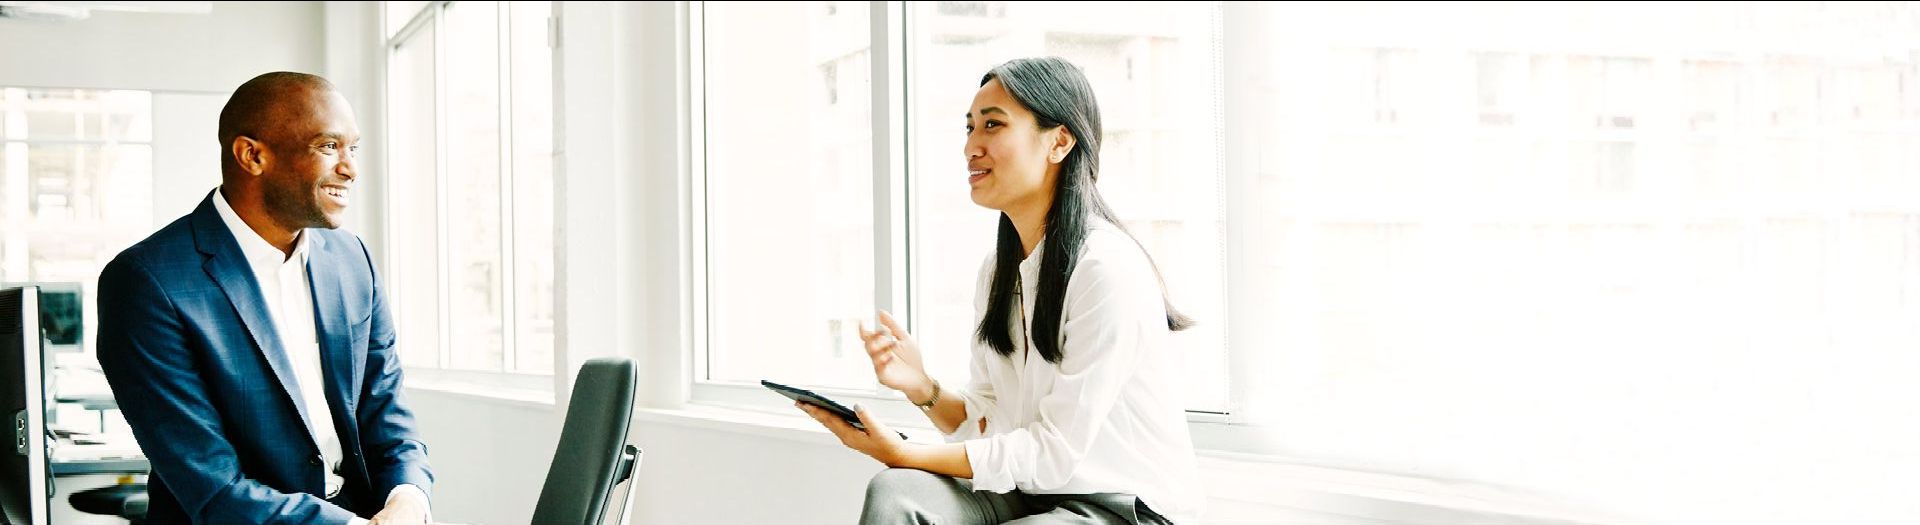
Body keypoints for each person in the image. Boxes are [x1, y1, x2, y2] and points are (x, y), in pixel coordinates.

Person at [796, 57, 1203, 525]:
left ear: (1060, 142)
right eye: (970, 128)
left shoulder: (1106, 270)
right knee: (897, 491)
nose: (972, 146)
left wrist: (908, 453)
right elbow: (993, 426)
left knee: (910, 472)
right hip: (1032, 494)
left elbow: (1052, 452)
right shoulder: (998, 272)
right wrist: (923, 389)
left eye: (993, 125)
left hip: (1124, 509)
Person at [96, 71, 434, 525]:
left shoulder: (352, 260)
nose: (351, 168)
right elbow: (213, 486)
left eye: (353, 149)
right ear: (252, 155)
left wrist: (408, 499)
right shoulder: (146, 282)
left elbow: (386, 409)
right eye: (328, 146)